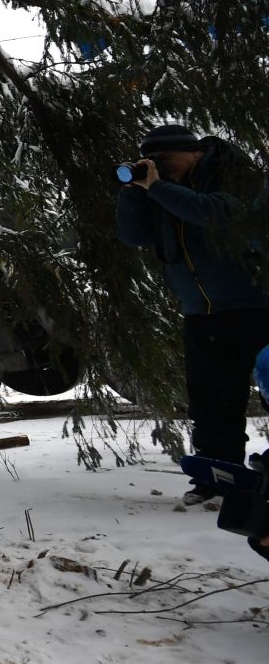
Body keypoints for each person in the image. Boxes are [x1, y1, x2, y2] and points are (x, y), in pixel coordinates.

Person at [115, 123, 269, 504]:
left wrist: (160, 188)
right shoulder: (162, 190)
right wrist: (134, 191)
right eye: (154, 162)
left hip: (258, 302)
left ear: (195, 151)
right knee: (211, 398)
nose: (163, 168)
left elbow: (218, 214)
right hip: (202, 312)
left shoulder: (237, 175)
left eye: (167, 159)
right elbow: (135, 236)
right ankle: (218, 473)